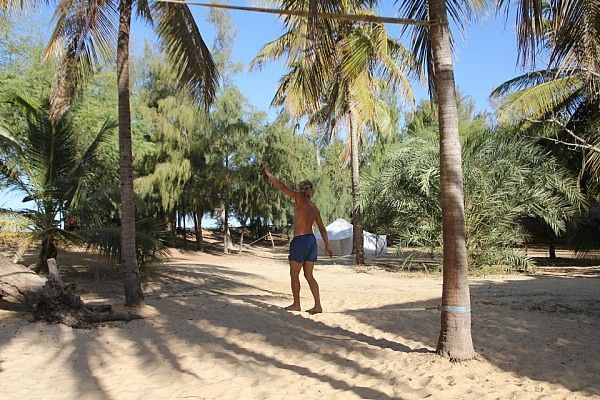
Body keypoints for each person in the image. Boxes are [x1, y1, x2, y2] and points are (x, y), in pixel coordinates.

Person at [262, 163, 333, 314]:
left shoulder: (299, 198)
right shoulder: (315, 208)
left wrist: (269, 174)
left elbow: (282, 187)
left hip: (300, 240)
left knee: (294, 274)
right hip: (311, 241)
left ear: (302, 190)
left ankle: (296, 304)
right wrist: (327, 245)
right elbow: (322, 228)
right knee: (309, 275)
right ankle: (318, 305)